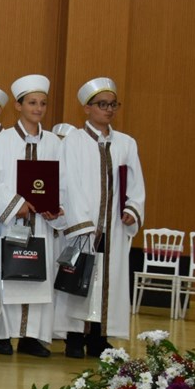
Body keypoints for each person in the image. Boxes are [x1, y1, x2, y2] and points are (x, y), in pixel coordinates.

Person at [57, 77, 144, 353]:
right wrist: (82, 222)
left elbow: (135, 183)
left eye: (113, 104)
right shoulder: (74, 141)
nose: (108, 110)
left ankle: (98, 335)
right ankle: (74, 337)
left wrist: (132, 208)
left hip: (113, 227)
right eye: (102, 104)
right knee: (78, 278)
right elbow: (68, 182)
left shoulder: (126, 144)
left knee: (106, 279)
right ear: (87, 107)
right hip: (83, 226)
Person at [0, 75, 66, 357]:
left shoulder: (55, 143)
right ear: (18, 106)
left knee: (39, 277)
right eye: (32, 103)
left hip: (41, 223)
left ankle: (32, 336)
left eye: (43, 103)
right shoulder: (1, 141)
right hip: (11, 222)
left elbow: (63, 181)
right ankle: (2, 335)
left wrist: (56, 207)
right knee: (7, 275)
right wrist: (16, 203)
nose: (38, 108)